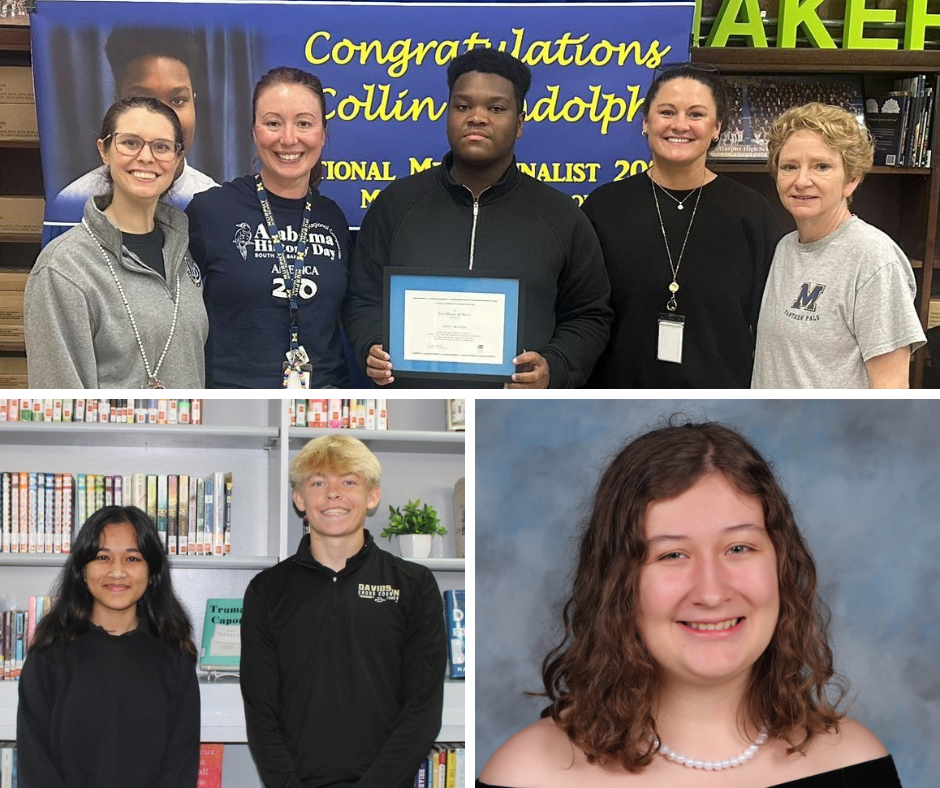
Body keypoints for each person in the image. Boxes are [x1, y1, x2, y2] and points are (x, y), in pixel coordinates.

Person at [478, 421, 902, 788]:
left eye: (738, 547)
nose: (712, 592)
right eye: (672, 555)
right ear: (616, 583)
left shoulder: (857, 765)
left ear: (782, 566)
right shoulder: (525, 775)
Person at [343, 48, 612, 389]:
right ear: (448, 114)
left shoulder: (560, 216)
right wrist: (372, 344)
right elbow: (362, 297)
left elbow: (589, 315)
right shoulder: (396, 204)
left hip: (511, 411)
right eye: (463, 106)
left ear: (519, 123)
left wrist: (554, 367)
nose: (477, 117)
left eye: (496, 108)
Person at [240, 434, 446, 786]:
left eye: (348, 481)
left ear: (372, 495)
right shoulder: (266, 590)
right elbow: (261, 710)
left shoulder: (414, 585)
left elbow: (423, 709)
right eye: (318, 482)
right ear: (299, 498)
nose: (333, 494)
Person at [582, 64, 782, 388]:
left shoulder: (752, 213)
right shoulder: (603, 208)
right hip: (614, 401)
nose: (680, 125)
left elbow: (771, 326)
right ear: (645, 122)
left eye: (696, 114)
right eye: (666, 112)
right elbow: (583, 316)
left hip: (723, 403)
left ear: (717, 128)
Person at [25, 96, 208, 388]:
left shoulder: (186, 257)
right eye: (131, 143)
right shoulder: (64, 267)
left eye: (161, 147)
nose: (146, 158)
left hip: (188, 434)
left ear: (177, 159)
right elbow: (58, 408)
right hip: (108, 436)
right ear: (105, 150)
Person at [186, 66, 350, 388]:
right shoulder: (211, 211)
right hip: (235, 406)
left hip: (322, 402)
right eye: (273, 123)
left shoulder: (333, 217)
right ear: (254, 131)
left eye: (304, 123)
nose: (289, 139)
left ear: (323, 133)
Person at [16, 506, 200, 788]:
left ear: (152, 571)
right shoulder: (48, 654)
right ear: (82, 569)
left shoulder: (174, 657)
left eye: (132, 558)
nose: (117, 571)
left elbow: (180, 764)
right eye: (102, 557)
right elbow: (35, 762)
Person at [752, 103, 926, 389]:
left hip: (834, 432)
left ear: (852, 179)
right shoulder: (784, 248)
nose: (802, 181)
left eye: (821, 166)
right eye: (789, 167)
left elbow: (891, 389)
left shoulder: (873, 259)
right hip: (773, 429)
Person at [54, 27, 218, 215]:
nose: (162, 120)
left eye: (178, 100)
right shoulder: (75, 202)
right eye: (143, 100)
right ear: (117, 103)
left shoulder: (218, 207)